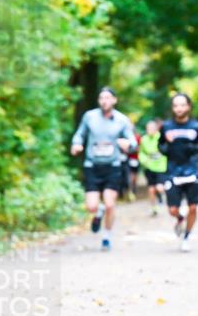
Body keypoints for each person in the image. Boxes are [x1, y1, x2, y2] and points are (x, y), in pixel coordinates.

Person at [70, 87, 134, 251]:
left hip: (113, 166)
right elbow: (80, 134)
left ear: (114, 100)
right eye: (101, 98)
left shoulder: (122, 120)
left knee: (110, 204)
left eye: (108, 98)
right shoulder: (89, 117)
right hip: (92, 166)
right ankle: (98, 212)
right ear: (99, 101)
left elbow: (132, 141)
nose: (104, 101)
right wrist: (76, 144)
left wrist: (129, 145)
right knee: (91, 206)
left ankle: (106, 236)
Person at [159, 94, 198, 252]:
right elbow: (160, 147)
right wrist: (166, 146)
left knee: (193, 207)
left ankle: (187, 237)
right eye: (176, 105)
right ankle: (179, 218)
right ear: (172, 108)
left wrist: (194, 148)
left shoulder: (197, 126)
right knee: (172, 209)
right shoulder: (166, 126)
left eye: (182, 105)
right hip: (173, 171)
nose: (179, 108)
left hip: (191, 170)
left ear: (188, 106)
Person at [138, 118, 168, 216]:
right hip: (149, 168)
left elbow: (167, 150)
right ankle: (154, 208)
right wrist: (144, 160)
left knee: (159, 187)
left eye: (152, 128)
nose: (150, 130)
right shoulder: (144, 139)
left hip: (161, 167)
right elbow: (141, 152)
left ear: (156, 129)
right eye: (148, 128)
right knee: (151, 189)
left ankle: (160, 195)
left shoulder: (161, 137)